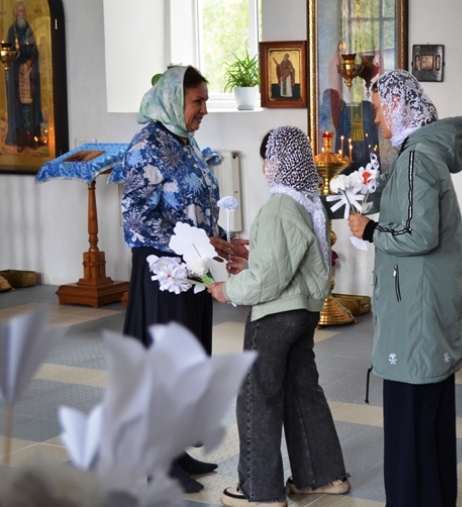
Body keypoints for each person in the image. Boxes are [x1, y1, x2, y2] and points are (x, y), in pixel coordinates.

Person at [209, 126, 349, 507]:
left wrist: (226, 290)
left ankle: (259, 491)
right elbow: (291, 264)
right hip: (303, 314)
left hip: (274, 317)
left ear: (279, 162)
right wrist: (252, 259)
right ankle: (323, 476)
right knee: (303, 391)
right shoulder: (309, 203)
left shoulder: (278, 207)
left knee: (257, 396)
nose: (264, 168)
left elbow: (267, 280)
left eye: (267, 160)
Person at [348, 70, 462, 507]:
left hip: (414, 309)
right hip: (422, 300)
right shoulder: (418, 154)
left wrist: (369, 231)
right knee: (429, 419)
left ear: (397, 105)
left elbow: (419, 234)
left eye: (379, 110)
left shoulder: (417, 158)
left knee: (409, 421)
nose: (377, 119)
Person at [117, 65, 238, 492]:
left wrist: (221, 242)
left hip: (194, 267)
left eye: (205, 100)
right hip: (163, 272)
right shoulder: (146, 146)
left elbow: (199, 205)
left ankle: (177, 451)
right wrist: (196, 241)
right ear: (173, 101)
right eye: (197, 101)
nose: (204, 109)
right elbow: (135, 219)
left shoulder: (186, 141)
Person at [5, 1, 43, 151]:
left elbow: (34, 50)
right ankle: (21, 139)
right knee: (19, 106)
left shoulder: (29, 29)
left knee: (30, 106)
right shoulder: (12, 30)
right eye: (19, 12)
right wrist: (15, 52)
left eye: (23, 11)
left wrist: (30, 60)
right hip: (17, 74)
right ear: (16, 14)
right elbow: (8, 52)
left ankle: (31, 138)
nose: (22, 14)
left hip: (29, 74)